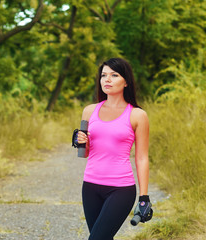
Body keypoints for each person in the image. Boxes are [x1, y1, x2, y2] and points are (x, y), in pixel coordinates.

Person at [76, 58, 152, 240]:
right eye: (103, 75)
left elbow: (141, 158)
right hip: (90, 187)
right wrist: (81, 142)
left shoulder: (137, 115)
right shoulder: (89, 111)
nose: (107, 80)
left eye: (114, 75)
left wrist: (144, 197)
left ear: (126, 82)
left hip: (120, 189)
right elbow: (84, 153)